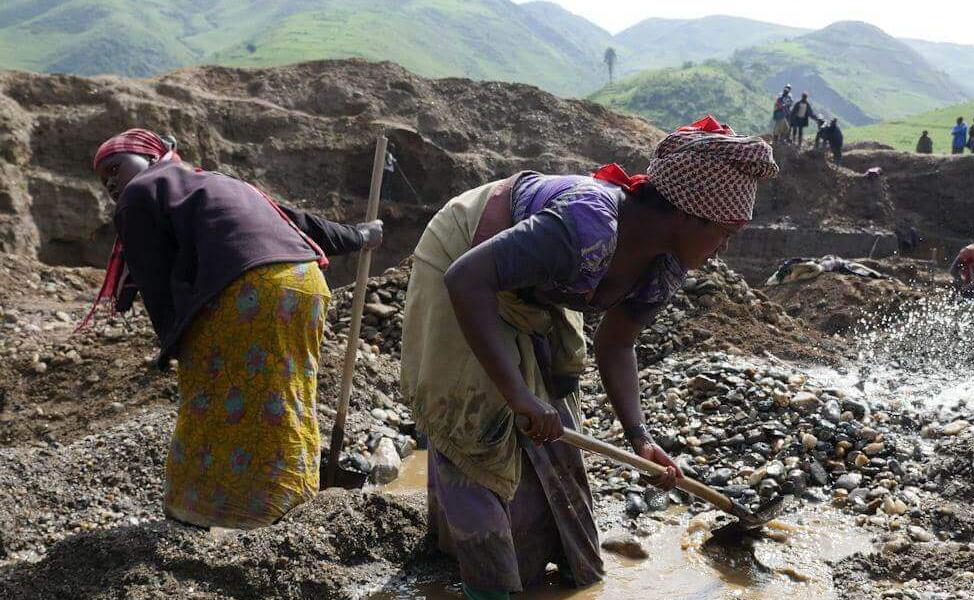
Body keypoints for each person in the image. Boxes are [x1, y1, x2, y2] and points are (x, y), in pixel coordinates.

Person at [399, 116, 778, 599]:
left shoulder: (665, 266)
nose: (725, 247)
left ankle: (559, 575)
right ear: (688, 214)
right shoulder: (587, 225)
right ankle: (489, 585)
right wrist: (515, 394)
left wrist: (640, 439)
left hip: (536, 289)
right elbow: (465, 280)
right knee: (477, 427)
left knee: (556, 428)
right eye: (724, 232)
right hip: (465, 258)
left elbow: (617, 343)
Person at [85, 128, 384, 529]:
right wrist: (362, 236)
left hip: (246, 291)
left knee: (206, 398)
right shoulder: (219, 183)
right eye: (104, 178)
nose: (111, 182)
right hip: (305, 285)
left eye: (115, 167)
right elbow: (298, 223)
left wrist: (173, 345)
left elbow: (154, 279)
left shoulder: (141, 193)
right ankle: (288, 505)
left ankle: (198, 511)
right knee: (283, 397)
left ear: (151, 157)